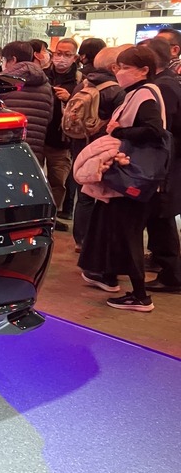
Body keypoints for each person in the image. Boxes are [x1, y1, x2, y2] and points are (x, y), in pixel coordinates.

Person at [78, 46, 165, 312]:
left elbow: (154, 131)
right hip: (125, 176)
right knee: (116, 230)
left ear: (144, 70)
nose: (120, 72)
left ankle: (140, 296)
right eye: (119, 67)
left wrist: (121, 132)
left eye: (126, 68)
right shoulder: (138, 93)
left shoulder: (145, 95)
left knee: (129, 235)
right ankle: (108, 276)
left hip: (132, 177)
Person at [69, 46, 126, 251]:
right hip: (103, 146)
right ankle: (99, 242)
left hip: (80, 143)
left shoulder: (82, 84)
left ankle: (81, 239)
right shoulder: (117, 90)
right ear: (114, 66)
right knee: (104, 194)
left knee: (84, 192)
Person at [136, 38, 181, 293]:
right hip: (167, 161)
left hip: (165, 163)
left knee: (161, 216)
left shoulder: (163, 87)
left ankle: (171, 274)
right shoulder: (165, 83)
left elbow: (162, 129)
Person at [43, 37, 82, 231]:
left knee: (58, 181)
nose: (61, 58)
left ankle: (52, 216)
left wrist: (70, 98)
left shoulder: (80, 80)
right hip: (38, 136)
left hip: (62, 141)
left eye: (67, 54)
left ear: (75, 57)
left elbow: (86, 109)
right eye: (58, 53)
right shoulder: (42, 75)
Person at [0, 40, 54, 163]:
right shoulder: (45, 84)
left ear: (13, 60)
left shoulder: (2, 82)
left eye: (4, 60)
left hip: (6, 150)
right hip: (34, 151)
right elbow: (49, 117)